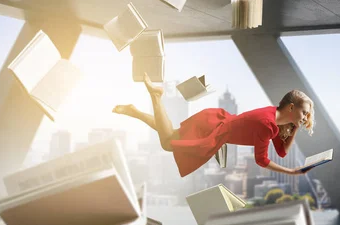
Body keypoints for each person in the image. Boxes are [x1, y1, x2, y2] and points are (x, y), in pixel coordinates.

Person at [113, 74, 316, 178]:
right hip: (213, 131)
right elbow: (261, 160)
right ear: (291, 107)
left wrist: (297, 125)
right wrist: (291, 173)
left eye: (307, 114)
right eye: (304, 112)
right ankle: (156, 97)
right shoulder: (268, 124)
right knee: (168, 143)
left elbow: (281, 151)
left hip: (214, 121)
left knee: (172, 135)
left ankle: (136, 112)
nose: (306, 117)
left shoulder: (273, 115)